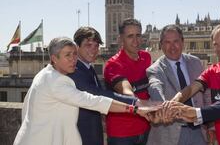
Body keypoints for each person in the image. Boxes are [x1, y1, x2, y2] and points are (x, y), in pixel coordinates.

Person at [14, 37, 156, 145]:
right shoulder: (56, 81)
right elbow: (92, 100)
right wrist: (135, 109)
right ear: (54, 59)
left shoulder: (44, 74)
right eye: (67, 55)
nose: (73, 59)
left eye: (75, 54)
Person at [68, 27, 140, 145]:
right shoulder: (75, 70)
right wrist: (135, 102)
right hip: (81, 137)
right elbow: (98, 94)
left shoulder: (89, 68)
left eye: (96, 46)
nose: (93, 49)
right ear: (77, 47)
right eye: (88, 45)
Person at [146, 25, 212, 145]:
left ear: (183, 42)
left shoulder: (196, 62)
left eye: (176, 41)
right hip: (171, 133)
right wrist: (163, 107)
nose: (172, 47)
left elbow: (207, 94)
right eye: (167, 42)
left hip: (198, 129)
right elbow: (155, 87)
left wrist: (210, 125)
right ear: (161, 45)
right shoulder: (155, 69)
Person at [104, 18, 151, 145]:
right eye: (130, 36)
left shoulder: (146, 57)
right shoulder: (113, 64)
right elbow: (126, 90)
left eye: (138, 35)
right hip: (122, 134)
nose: (136, 41)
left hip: (145, 129)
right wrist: (147, 106)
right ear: (120, 39)